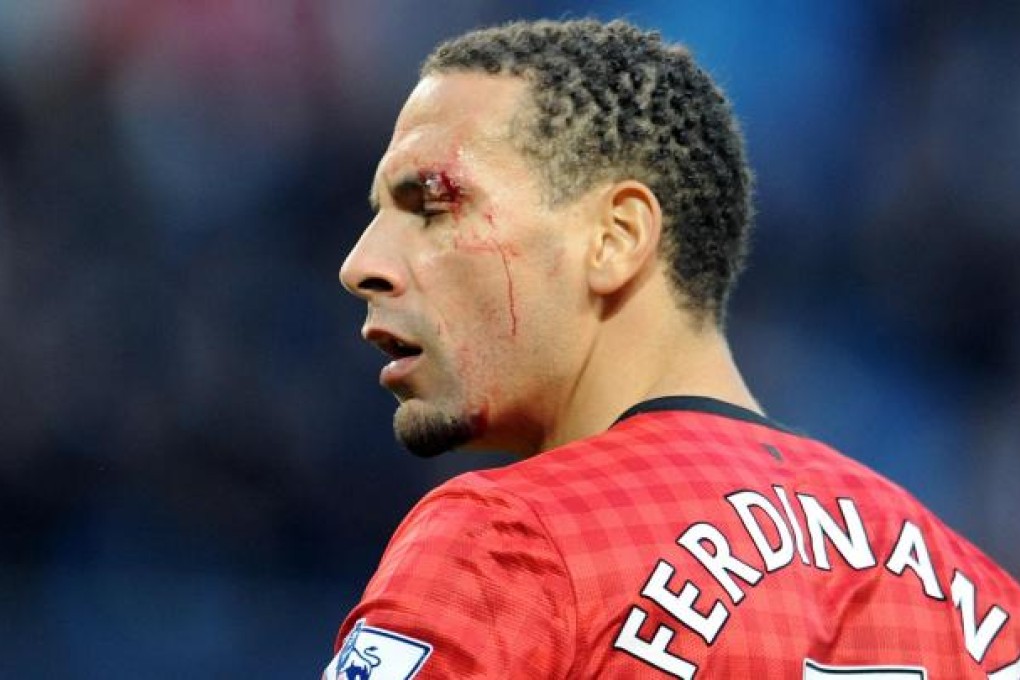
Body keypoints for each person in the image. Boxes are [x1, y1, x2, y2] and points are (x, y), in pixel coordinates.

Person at [325, 18, 1020, 680]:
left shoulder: (511, 542)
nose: (361, 265)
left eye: (435, 207)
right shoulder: (987, 607)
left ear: (616, 238)